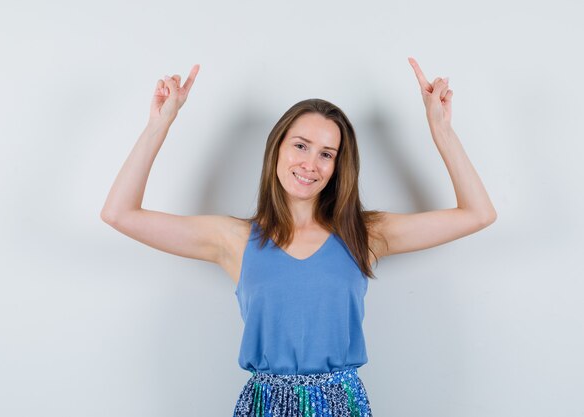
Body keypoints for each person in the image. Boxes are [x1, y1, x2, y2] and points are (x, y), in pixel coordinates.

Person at [100, 57, 497, 417]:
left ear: (338, 166)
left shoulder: (365, 234)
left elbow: (478, 214)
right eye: (301, 146)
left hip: (342, 406)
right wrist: (159, 124)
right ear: (277, 150)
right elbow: (119, 214)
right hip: (264, 406)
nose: (311, 163)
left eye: (327, 153)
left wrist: (441, 131)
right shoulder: (234, 239)